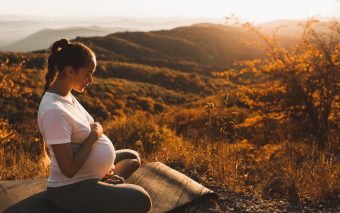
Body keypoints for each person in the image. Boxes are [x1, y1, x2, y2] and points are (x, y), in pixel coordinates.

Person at [37, 38, 152, 213]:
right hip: (69, 189)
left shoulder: (66, 95)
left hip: (87, 176)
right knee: (142, 199)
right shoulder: (54, 111)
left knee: (132, 156)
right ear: (70, 71)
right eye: (88, 74)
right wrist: (94, 136)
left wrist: (101, 166)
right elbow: (68, 170)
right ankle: (100, 187)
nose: (91, 80)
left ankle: (102, 182)